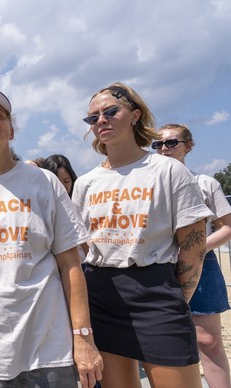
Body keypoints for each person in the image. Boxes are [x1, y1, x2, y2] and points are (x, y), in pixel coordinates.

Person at [0, 89, 103, 388]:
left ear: (11, 129)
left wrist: (84, 339)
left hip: (48, 347)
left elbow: (71, 265)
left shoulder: (44, 182)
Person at [72, 82, 213, 388]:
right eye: (93, 118)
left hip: (156, 290)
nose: (101, 121)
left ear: (135, 115)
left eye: (111, 111)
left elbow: (194, 243)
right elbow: (82, 245)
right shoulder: (86, 183)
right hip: (101, 292)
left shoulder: (167, 170)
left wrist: (174, 295)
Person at [155, 123, 231, 388]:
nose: (164, 148)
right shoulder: (150, 188)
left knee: (207, 341)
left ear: (188, 146)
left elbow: (227, 227)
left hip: (202, 262)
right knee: (166, 340)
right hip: (159, 265)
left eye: (171, 142)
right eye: (158, 144)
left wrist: (195, 248)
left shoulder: (205, 183)